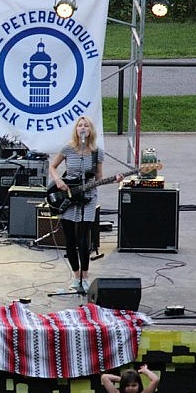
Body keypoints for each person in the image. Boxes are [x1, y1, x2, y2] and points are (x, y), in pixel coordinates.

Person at [48, 115, 122, 291]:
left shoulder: (97, 152)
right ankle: (75, 276)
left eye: (86, 126)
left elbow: (99, 177)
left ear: (90, 131)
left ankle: (85, 277)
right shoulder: (68, 149)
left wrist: (115, 179)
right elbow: (53, 166)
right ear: (76, 130)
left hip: (87, 198)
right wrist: (58, 181)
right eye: (79, 126)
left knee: (83, 239)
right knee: (70, 239)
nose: (82, 128)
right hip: (68, 195)